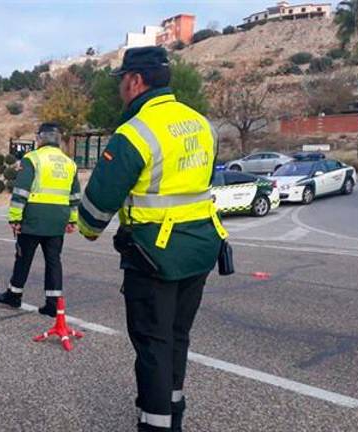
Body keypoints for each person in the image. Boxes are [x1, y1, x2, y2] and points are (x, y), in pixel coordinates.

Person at [77, 47, 228, 432]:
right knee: (178, 334)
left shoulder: (136, 131)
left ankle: (156, 424)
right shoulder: (201, 124)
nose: (120, 90)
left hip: (155, 254)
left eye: (122, 82)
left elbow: (97, 207)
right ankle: (174, 408)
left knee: (152, 341)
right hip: (202, 247)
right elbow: (205, 181)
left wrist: (89, 229)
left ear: (136, 81)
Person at [0, 123, 81, 317]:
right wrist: (72, 220)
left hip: (33, 218)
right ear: (58, 139)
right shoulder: (69, 163)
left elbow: (21, 190)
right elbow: (75, 196)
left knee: (23, 258)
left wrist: (15, 218)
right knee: (53, 261)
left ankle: (14, 295)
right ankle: (53, 304)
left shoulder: (32, 159)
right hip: (58, 219)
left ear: (40, 138)